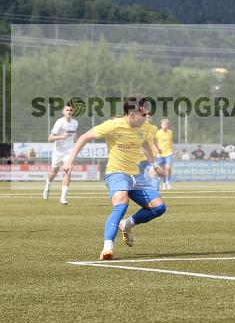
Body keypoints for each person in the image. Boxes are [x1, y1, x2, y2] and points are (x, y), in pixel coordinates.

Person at [63, 95, 165, 260]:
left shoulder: (145, 127)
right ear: (132, 114)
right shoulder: (113, 125)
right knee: (122, 202)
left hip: (136, 175)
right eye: (144, 115)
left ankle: (125, 224)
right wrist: (69, 160)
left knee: (159, 208)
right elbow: (84, 137)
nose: (147, 118)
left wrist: (154, 165)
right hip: (116, 173)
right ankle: (108, 246)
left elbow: (145, 143)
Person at [44, 104, 79, 204]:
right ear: (63, 112)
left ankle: (63, 197)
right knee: (53, 172)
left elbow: (75, 135)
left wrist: (78, 143)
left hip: (69, 151)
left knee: (68, 171)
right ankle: (47, 186)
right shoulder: (59, 122)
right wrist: (61, 137)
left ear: (73, 112)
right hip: (58, 152)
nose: (69, 112)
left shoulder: (75, 122)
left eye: (71, 110)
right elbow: (50, 138)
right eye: (67, 110)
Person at [155, 118, 174, 190]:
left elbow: (171, 141)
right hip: (160, 154)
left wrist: (172, 146)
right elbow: (155, 142)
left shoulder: (170, 132)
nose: (165, 125)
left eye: (166, 124)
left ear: (168, 125)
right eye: (164, 124)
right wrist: (157, 150)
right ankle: (164, 182)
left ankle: (168, 182)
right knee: (162, 170)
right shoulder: (158, 133)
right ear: (161, 125)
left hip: (168, 153)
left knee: (168, 168)